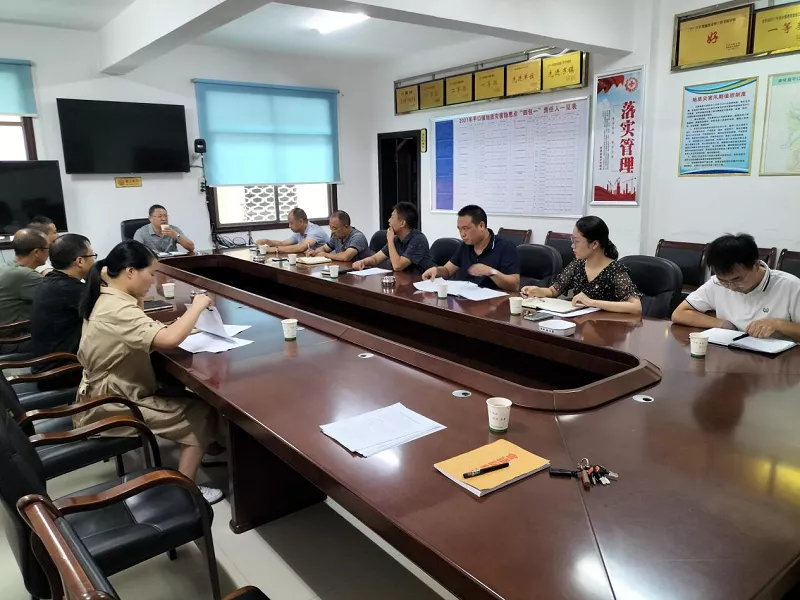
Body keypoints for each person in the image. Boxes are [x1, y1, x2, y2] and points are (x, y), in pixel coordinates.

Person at [76, 240, 222, 504]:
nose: (153, 280)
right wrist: (197, 306)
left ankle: (208, 443)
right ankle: (186, 492)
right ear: (131, 271)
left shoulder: (110, 294)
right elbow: (169, 340)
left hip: (111, 389)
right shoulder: (117, 308)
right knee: (201, 413)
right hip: (111, 403)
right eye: (151, 273)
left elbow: (142, 328)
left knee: (181, 391)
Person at [672, 233, 800, 340]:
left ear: (756, 265)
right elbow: (679, 313)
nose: (731, 287)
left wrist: (778, 324)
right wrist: (721, 324)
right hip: (730, 354)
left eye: (737, 279)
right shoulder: (716, 283)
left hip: (778, 359)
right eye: (724, 281)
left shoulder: (790, 286)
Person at [521, 216, 642, 315]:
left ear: (594, 244)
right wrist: (538, 291)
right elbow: (553, 291)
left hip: (606, 327)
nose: (572, 246)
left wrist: (592, 302)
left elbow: (636, 307)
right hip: (580, 324)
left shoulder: (615, 270)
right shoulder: (578, 264)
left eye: (577, 241)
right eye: (572, 241)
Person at [30, 234, 96, 380]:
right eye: (92, 255)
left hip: (49, 364)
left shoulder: (53, 280)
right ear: (80, 261)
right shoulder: (70, 289)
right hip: (62, 372)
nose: (94, 260)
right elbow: (111, 311)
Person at [421, 205, 519, 291]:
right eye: (460, 229)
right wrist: (437, 270)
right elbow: (447, 270)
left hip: (492, 303)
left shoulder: (505, 247)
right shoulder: (466, 245)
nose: (462, 234)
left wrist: (491, 272)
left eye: (465, 229)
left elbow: (514, 285)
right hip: (464, 300)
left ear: (481, 226)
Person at [353, 202, 435, 274]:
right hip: (403, 280)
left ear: (402, 223)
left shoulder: (418, 240)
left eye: (392, 217)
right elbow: (375, 259)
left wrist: (390, 240)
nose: (389, 220)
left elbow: (398, 266)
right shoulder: (396, 239)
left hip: (422, 282)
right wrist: (362, 262)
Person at [0, 228, 48, 327]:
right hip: (17, 334)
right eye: (48, 248)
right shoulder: (26, 275)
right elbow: (60, 297)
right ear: (37, 252)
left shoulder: (5, 267)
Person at [255, 208, 328, 254]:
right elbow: (283, 243)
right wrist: (267, 241)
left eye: (291, 223)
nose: (289, 226)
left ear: (300, 221)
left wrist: (275, 249)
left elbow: (301, 248)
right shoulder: (299, 232)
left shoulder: (314, 231)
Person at [309, 210, 374, 262]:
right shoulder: (336, 235)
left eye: (335, 228)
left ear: (346, 227)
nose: (332, 231)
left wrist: (325, 255)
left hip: (363, 270)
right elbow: (325, 248)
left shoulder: (357, 237)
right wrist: (315, 252)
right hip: (346, 268)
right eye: (331, 227)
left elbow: (345, 257)